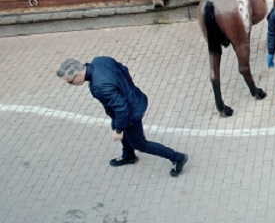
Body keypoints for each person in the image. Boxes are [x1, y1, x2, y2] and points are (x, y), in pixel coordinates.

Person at [57, 57, 188, 177]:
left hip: (130, 113)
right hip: (134, 99)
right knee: (116, 125)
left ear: (78, 74)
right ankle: (128, 155)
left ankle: (177, 157)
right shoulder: (100, 60)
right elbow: (124, 69)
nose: (71, 85)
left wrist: (119, 130)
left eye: (70, 82)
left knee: (140, 143)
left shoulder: (99, 86)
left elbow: (121, 109)